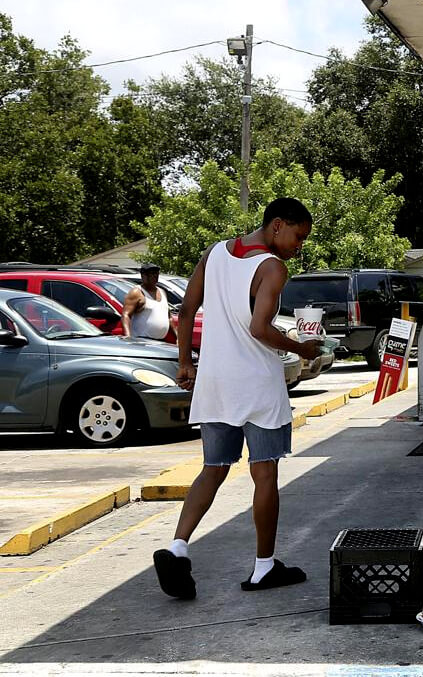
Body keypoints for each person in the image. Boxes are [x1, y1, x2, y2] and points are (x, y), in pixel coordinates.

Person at [153, 197, 323, 600]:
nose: (299, 247)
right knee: (264, 475)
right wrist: (304, 349)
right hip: (257, 387)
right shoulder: (271, 267)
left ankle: (178, 547)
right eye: (298, 237)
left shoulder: (214, 253)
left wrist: (184, 363)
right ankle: (264, 567)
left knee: (212, 469)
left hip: (215, 383)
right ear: (277, 225)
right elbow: (260, 328)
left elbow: (187, 310)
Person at [121, 263, 171, 340]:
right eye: (152, 273)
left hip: (161, 341)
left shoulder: (162, 292)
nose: (155, 276)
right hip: (142, 341)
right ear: (143, 276)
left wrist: (177, 336)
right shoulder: (137, 292)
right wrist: (128, 337)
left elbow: (169, 317)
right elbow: (126, 315)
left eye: (157, 273)